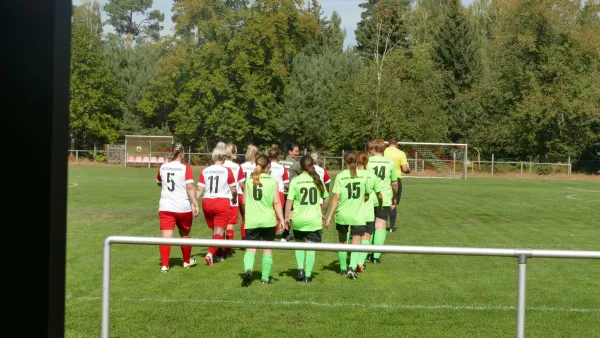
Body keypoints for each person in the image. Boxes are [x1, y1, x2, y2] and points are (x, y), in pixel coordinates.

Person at [325, 152, 379, 279]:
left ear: (344, 161)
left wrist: (329, 216)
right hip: (358, 215)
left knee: (342, 242)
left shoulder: (340, 176)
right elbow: (367, 195)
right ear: (357, 161)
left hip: (342, 215)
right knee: (356, 244)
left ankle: (343, 268)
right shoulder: (363, 177)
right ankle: (351, 268)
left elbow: (336, 197)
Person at [241, 154, 286, 286]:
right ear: (269, 166)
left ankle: (248, 270)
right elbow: (277, 202)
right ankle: (265, 278)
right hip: (268, 220)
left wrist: (247, 215)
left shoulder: (249, 181)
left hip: (252, 220)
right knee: (267, 249)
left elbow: (243, 202)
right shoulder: (272, 181)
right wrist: (282, 219)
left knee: (250, 249)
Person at [284, 155, 329, 283]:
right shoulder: (316, 179)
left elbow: (289, 201)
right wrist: (323, 212)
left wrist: (287, 217)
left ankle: (300, 270)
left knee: (299, 244)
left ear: (300, 166)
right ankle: (308, 276)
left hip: (298, 219)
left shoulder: (295, 181)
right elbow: (326, 198)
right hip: (314, 220)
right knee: (311, 247)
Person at [156, 143, 200, 273]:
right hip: (182, 207)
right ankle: (186, 261)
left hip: (166, 207)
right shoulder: (185, 168)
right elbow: (190, 187)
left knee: (166, 237)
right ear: (181, 153)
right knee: (185, 235)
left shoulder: (163, 167)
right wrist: (196, 204)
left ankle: (165, 265)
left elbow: (159, 182)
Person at [196, 142, 237, 266]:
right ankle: (210, 254)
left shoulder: (205, 171)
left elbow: (199, 190)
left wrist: (193, 203)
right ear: (224, 157)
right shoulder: (227, 171)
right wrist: (234, 198)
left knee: (215, 231)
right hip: (221, 202)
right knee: (220, 231)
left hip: (207, 202)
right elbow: (233, 189)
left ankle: (218, 255)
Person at [366, 139, 398, 264]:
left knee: (368, 225)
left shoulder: (367, 161)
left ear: (373, 149)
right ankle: (376, 256)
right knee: (380, 225)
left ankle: (367, 253)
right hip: (384, 197)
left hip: (368, 197)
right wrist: (393, 197)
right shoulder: (390, 162)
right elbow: (395, 184)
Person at [356, 151, 383, 272]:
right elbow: (379, 194)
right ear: (367, 162)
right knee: (366, 237)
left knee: (355, 237)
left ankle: (352, 261)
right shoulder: (372, 176)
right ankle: (360, 262)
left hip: (354, 211)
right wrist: (380, 204)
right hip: (367, 211)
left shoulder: (351, 174)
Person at [222, 143, 246, 258]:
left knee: (220, 224)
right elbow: (241, 184)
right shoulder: (237, 166)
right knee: (230, 224)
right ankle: (227, 250)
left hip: (221, 197)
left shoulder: (220, 165)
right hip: (233, 198)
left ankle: (220, 249)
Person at [383, 135, 411, 233]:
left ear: (388, 143)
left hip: (384, 179)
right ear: (397, 143)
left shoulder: (383, 151)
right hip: (396, 179)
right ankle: (391, 227)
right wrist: (408, 169)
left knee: (382, 203)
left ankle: (380, 225)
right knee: (393, 203)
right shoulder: (401, 153)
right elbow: (404, 169)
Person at [279, 143, 301, 241]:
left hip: (280, 191)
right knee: (289, 214)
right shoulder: (295, 163)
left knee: (282, 213)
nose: (297, 153)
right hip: (290, 192)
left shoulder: (280, 162)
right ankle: (286, 235)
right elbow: (302, 172)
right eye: (296, 151)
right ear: (290, 152)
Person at [267, 145, 289, 233]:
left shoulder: (266, 166)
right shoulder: (282, 168)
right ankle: (272, 234)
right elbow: (286, 184)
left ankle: (268, 232)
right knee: (276, 216)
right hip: (279, 193)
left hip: (267, 192)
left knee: (268, 213)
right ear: (278, 155)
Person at [240, 144, 259, 240]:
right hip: (254, 193)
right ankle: (252, 237)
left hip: (242, 193)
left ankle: (244, 238)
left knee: (244, 218)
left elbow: (240, 182)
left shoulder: (241, 166)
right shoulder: (258, 167)